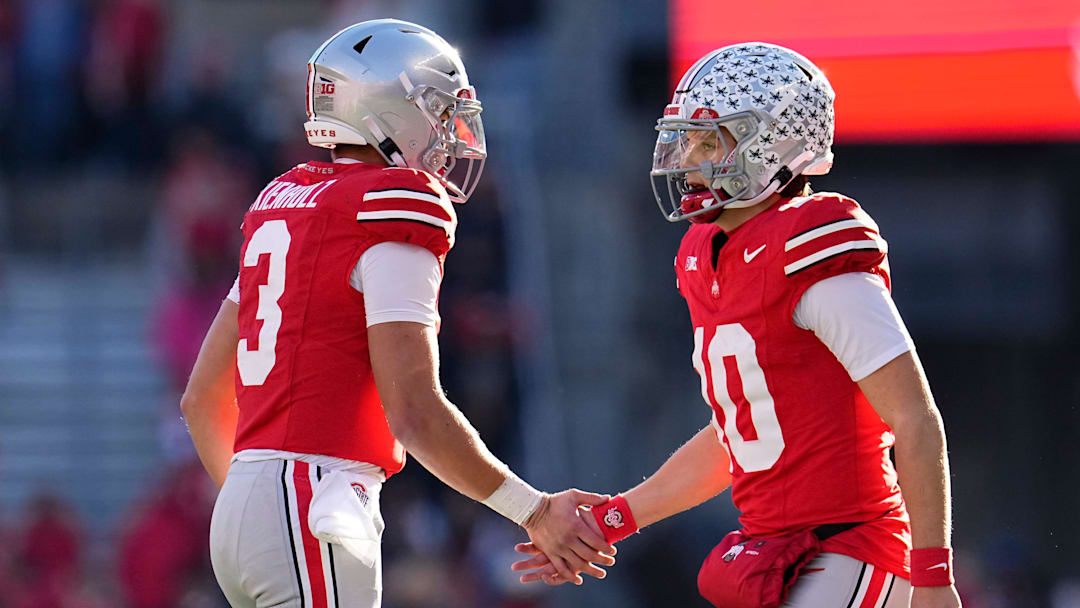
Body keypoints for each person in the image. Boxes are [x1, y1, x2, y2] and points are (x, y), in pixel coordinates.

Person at [180, 19, 614, 608]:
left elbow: (202, 397)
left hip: (247, 511)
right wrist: (532, 510)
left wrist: (252, 500)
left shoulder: (288, 203)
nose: (450, 130)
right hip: (317, 499)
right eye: (437, 109)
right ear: (383, 109)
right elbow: (413, 411)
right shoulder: (391, 206)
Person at [512, 42, 962, 608]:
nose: (687, 158)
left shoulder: (810, 245)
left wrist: (934, 577)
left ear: (774, 144)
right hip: (775, 553)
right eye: (687, 138)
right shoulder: (710, 253)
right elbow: (743, 431)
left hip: (851, 547)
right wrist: (615, 517)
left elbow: (915, 417)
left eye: (710, 140)